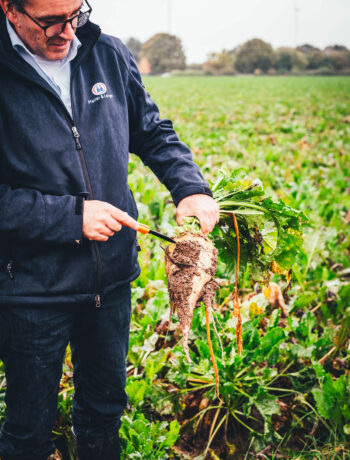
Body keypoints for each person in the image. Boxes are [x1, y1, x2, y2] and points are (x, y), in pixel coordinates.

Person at [0, 0, 219, 458]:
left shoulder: (108, 54)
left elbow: (152, 130)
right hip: (32, 290)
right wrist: (71, 217)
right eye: (49, 21)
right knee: (27, 430)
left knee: (104, 414)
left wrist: (190, 187)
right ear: (10, 8)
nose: (66, 31)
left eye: (75, 14)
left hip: (111, 281)